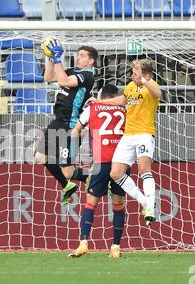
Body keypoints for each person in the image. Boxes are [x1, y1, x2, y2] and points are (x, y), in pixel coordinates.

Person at [89, 59, 162, 226]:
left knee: (144, 169)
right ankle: (145, 203)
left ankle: (150, 205)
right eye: (132, 70)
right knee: (115, 173)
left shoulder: (150, 85)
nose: (132, 73)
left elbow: (158, 94)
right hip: (128, 135)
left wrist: (143, 80)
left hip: (144, 133)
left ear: (146, 74)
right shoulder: (130, 87)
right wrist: (98, 101)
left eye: (135, 70)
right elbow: (121, 100)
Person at [35, 39, 98, 205]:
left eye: (83, 56)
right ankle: (67, 186)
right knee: (40, 157)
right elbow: (48, 77)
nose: (79, 58)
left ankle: (93, 176)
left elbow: (64, 81)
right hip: (57, 122)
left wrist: (57, 59)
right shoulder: (73, 71)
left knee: (68, 171)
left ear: (91, 61)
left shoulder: (87, 76)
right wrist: (50, 57)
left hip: (70, 126)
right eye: (78, 55)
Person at [68, 85, 129, 258]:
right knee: (118, 205)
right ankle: (115, 247)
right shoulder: (125, 110)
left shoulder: (92, 108)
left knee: (90, 204)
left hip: (101, 162)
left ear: (101, 96)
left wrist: (72, 156)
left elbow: (76, 130)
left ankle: (83, 243)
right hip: (121, 163)